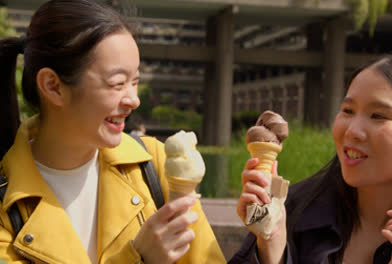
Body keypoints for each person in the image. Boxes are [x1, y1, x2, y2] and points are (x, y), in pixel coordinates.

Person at [0, 0, 225, 263]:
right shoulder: (6, 203)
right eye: (117, 83)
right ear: (53, 86)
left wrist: (267, 241)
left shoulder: (155, 163)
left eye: (135, 81)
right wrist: (138, 258)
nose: (134, 100)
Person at [230, 54, 392, 263]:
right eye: (348, 111)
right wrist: (272, 247)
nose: (352, 130)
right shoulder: (291, 211)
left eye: (378, 115)